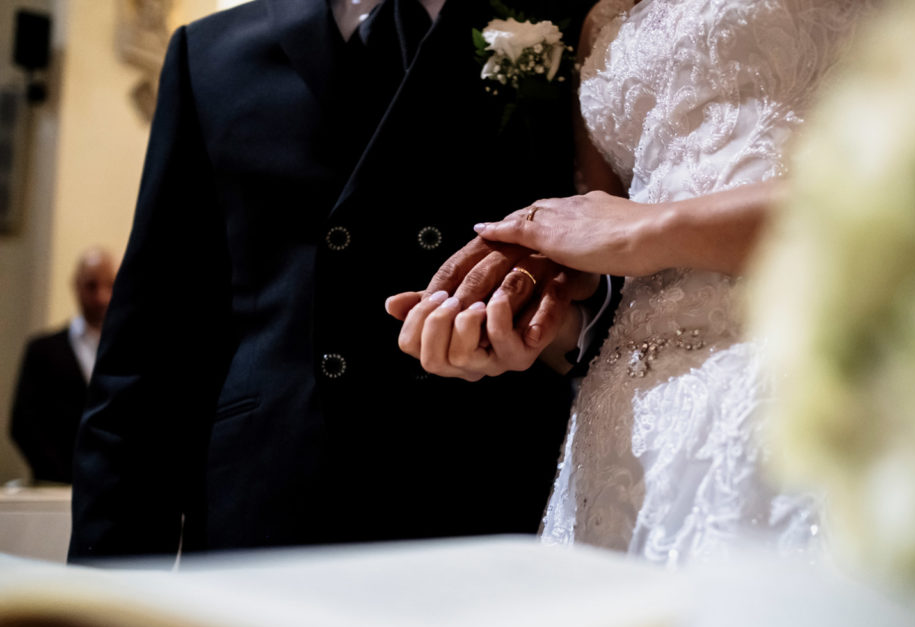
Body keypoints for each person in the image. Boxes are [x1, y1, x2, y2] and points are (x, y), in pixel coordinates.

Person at [69, 0, 598, 562]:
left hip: (488, 496)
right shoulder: (211, 54)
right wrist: (103, 606)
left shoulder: (557, 22)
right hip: (267, 505)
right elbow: (153, 349)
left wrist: (560, 318)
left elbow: (615, 272)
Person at [394, 0, 877, 565]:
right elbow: (615, 271)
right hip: (629, 427)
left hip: (806, 373)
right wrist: (529, 319)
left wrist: (650, 230)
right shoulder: (590, 10)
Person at [10, 247, 116, 484]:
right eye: (91, 286)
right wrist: (64, 477)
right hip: (56, 484)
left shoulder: (130, 351)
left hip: (113, 488)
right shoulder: (43, 349)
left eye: (110, 286)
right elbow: (23, 423)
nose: (101, 296)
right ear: (76, 286)